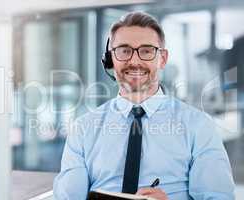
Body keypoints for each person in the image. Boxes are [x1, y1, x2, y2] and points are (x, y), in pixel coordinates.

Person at [52, 11, 235, 200]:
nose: (135, 61)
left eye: (146, 51)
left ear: (162, 59)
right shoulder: (83, 129)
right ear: (110, 59)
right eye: (124, 50)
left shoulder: (198, 126)